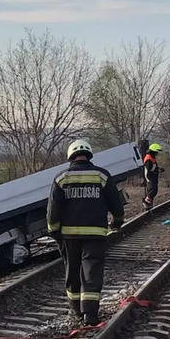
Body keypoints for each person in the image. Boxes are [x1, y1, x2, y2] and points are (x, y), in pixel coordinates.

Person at [47, 139, 125, 326]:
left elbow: (53, 210)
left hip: (69, 236)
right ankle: (90, 315)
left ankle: (75, 310)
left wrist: (54, 231)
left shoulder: (61, 178)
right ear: (89, 154)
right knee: (92, 272)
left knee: (72, 272)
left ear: (70, 156)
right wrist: (117, 221)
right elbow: (116, 203)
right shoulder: (102, 175)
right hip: (95, 235)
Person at [141, 143, 163, 209]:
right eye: (156, 152)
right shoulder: (148, 158)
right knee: (152, 190)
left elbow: (154, 167)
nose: (157, 153)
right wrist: (155, 171)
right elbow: (149, 169)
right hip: (150, 177)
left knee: (154, 190)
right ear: (153, 151)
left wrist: (159, 169)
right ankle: (146, 201)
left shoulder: (152, 158)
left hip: (153, 176)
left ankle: (149, 204)